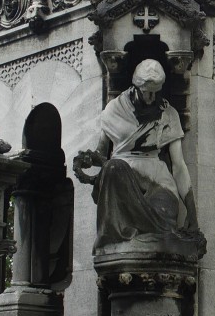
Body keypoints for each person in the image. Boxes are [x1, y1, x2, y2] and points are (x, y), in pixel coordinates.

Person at [77, 59, 202, 254]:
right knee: (113, 167)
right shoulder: (114, 110)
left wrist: (192, 213)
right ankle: (131, 240)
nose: (152, 98)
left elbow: (178, 166)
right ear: (135, 87)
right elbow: (101, 153)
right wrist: (87, 160)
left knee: (165, 216)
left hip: (157, 181)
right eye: (147, 92)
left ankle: (148, 238)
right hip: (121, 179)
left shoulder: (168, 113)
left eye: (156, 92)